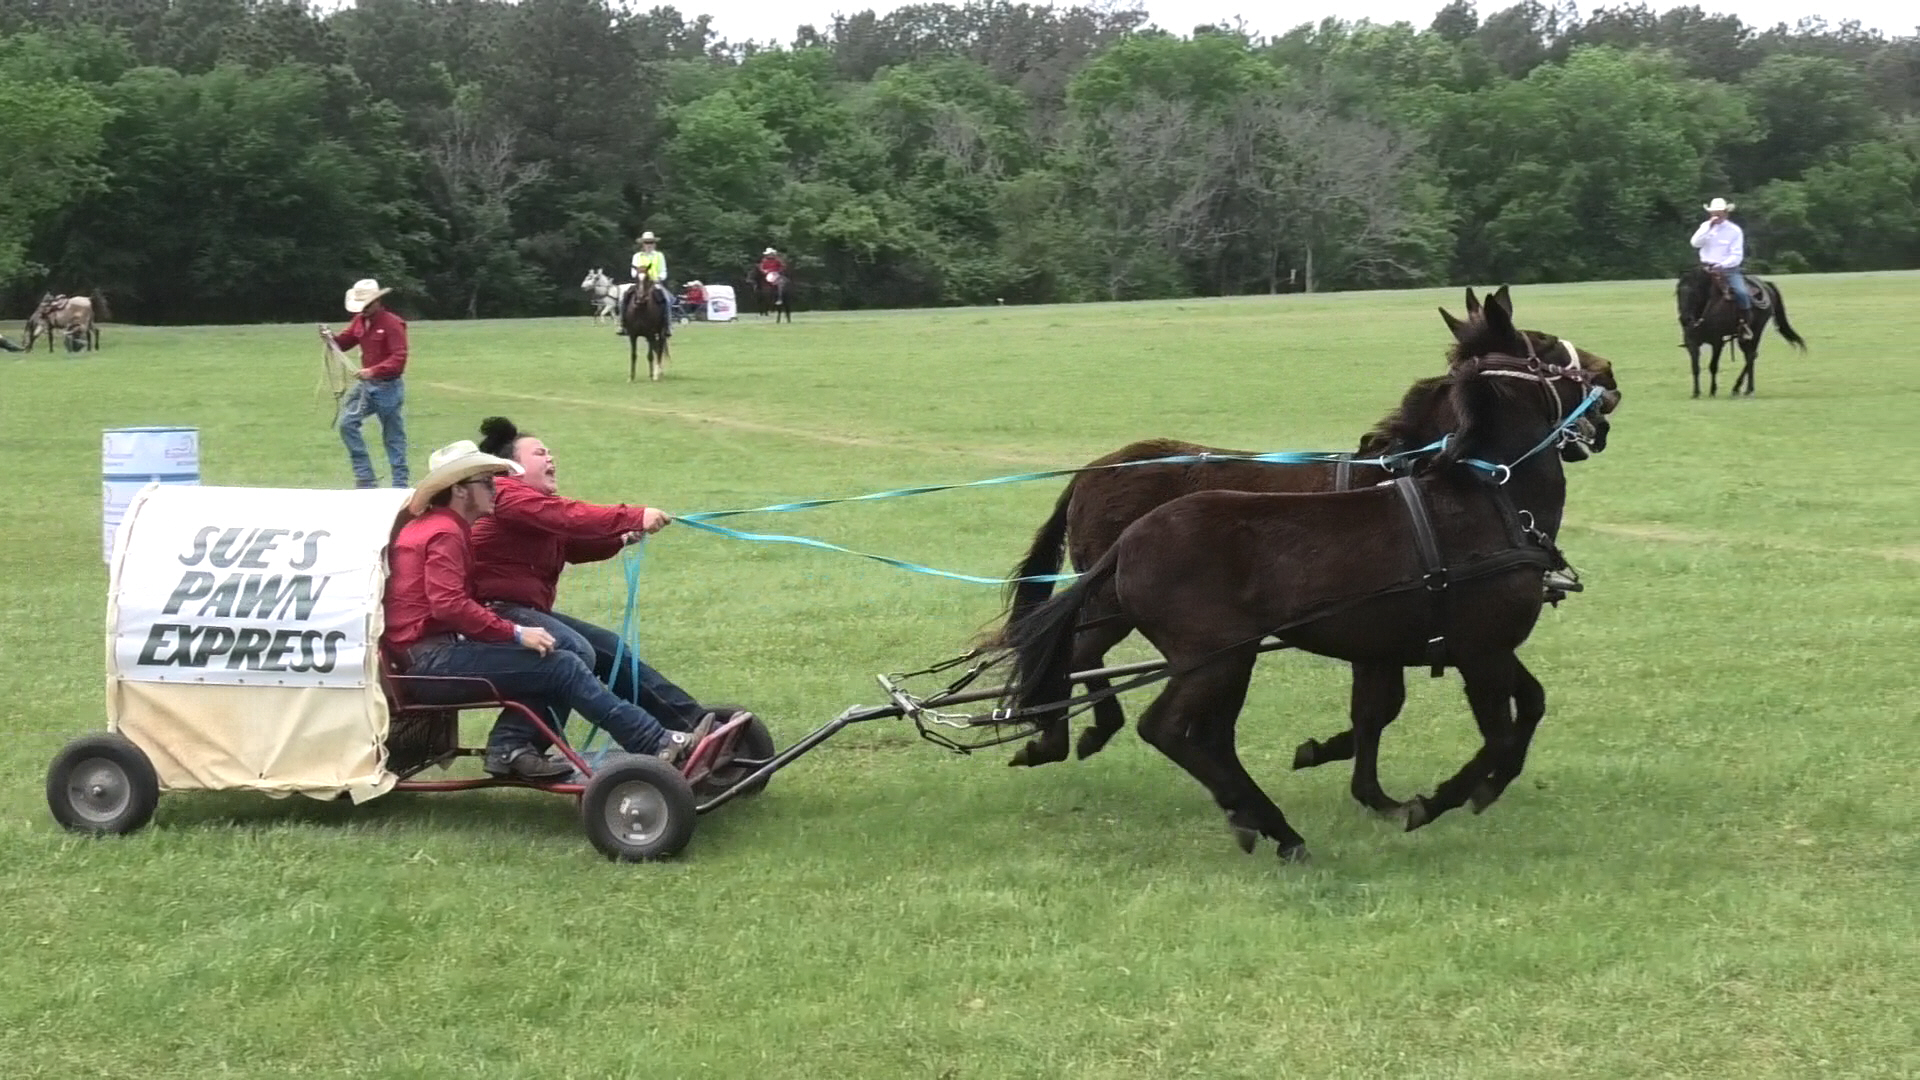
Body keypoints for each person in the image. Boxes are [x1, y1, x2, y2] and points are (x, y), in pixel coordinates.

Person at [384, 439, 712, 781]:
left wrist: (619, 537)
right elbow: (449, 604)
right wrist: (516, 632)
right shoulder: (445, 531)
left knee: (563, 659)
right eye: (486, 482)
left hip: (437, 653)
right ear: (460, 490)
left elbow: (563, 540)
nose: (495, 488)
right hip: (431, 663)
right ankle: (654, 740)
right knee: (564, 661)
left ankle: (514, 747)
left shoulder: (446, 527)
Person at [468, 416, 747, 766]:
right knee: (572, 650)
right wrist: (632, 516)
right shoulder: (506, 494)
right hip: (494, 613)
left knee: (609, 649)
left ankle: (692, 724)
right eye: (540, 453)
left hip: (522, 611)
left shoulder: (530, 508)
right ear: (512, 467)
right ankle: (512, 744)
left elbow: (571, 544)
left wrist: (619, 538)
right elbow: (569, 517)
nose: (551, 459)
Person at [319, 278, 410, 488]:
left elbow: (399, 357)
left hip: (388, 386)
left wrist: (373, 370)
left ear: (378, 301)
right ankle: (365, 477)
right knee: (347, 424)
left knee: (392, 436)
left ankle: (400, 483)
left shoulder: (393, 323)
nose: (363, 309)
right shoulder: (360, 321)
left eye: (367, 304)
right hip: (367, 386)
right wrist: (330, 338)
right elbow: (344, 342)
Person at [1689, 197, 1752, 336]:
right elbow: (1695, 243)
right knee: (1687, 291)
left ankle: (1745, 323)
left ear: (1726, 213)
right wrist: (1707, 228)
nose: (1716, 215)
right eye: (1713, 212)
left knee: (1741, 292)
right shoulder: (1705, 227)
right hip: (1705, 268)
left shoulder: (1734, 231)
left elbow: (1736, 255)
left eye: (1719, 212)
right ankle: (1689, 322)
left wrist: (1722, 265)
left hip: (1728, 270)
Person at [623, 230, 673, 337]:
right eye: (646, 242)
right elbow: (633, 272)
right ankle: (623, 325)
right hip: (640, 283)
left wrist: (659, 278)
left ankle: (667, 326)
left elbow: (664, 271)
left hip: (655, 283)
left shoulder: (660, 256)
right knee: (623, 298)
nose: (649, 245)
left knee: (668, 300)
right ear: (643, 244)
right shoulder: (637, 256)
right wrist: (639, 275)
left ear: (654, 244)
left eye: (651, 242)